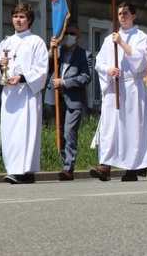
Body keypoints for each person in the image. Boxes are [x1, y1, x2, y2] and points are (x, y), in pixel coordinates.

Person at [90, 3, 147, 182]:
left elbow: (141, 62)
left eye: (125, 13)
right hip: (114, 88)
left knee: (131, 129)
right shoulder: (108, 39)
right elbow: (99, 61)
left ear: (133, 16)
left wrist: (122, 43)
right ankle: (105, 165)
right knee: (109, 127)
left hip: (132, 88)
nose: (121, 16)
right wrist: (108, 70)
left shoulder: (140, 37)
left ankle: (132, 167)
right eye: (119, 13)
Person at [0, 3, 49, 184]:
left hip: (26, 94)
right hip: (10, 93)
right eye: (15, 16)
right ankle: (13, 169)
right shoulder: (6, 42)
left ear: (29, 20)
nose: (18, 19)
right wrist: (1, 66)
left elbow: (41, 68)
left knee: (26, 131)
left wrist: (22, 77)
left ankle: (25, 170)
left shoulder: (36, 42)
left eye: (22, 16)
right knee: (10, 132)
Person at [46, 24, 91, 181]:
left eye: (72, 33)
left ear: (78, 36)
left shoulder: (85, 54)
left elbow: (86, 77)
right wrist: (51, 51)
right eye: (66, 33)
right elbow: (47, 67)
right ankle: (64, 162)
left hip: (74, 100)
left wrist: (65, 82)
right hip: (57, 99)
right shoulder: (59, 52)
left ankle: (68, 167)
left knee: (69, 132)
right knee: (60, 133)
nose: (68, 36)